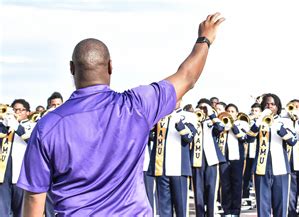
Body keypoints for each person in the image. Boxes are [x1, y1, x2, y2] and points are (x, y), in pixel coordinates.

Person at [17, 13, 225, 216]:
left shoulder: (48, 126)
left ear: (72, 69)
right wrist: (204, 39)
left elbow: (35, 197)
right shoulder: (136, 106)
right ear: (110, 66)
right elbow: (187, 76)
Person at [246, 93, 298, 216]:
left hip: (280, 168)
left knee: (281, 206)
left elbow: (293, 141)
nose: (269, 106)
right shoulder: (258, 121)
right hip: (261, 167)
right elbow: (248, 138)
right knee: (262, 206)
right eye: (267, 104)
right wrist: (259, 120)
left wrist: (279, 128)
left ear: (277, 106)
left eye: (272, 104)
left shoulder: (285, 121)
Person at [148, 102, 197, 217]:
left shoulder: (189, 115)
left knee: (181, 208)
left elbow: (188, 137)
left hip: (178, 168)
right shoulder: (160, 116)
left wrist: (178, 122)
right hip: (161, 167)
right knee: (164, 209)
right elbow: (150, 137)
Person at [192, 98, 226, 217]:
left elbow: (221, 128)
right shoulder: (193, 121)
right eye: (200, 108)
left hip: (211, 159)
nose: (202, 110)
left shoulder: (212, 121)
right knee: (198, 191)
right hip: (197, 159)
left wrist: (211, 113)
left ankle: (211, 214)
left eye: (204, 108)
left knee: (212, 189)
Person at [0, 100, 33, 217]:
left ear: (27, 112)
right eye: (14, 109)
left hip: (20, 172)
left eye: (20, 110)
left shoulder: (32, 125)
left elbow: (30, 140)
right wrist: (4, 124)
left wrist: (16, 126)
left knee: (20, 211)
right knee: (2, 211)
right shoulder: (5, 123)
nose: (16, 112)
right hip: (3, 173)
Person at [218, 103, 248, 216]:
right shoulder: (222, 123)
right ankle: (226, 210)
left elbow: (243, 137)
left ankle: (236, 210)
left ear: (236, 113)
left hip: (237, 158)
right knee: (225, 184)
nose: (230, 113)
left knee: (236, 183)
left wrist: (233, 126)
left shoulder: (242, 124)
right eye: (228, 111)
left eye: (232, 111)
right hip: (224, 158)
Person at [242, 102, 261, 203]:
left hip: (257, 152)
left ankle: (256, 197)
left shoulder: (262, 122)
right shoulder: (247, 121)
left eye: (256, 111)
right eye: (252, 110)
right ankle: (245, 196)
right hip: (248, 152)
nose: (254, 112)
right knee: (246, 175)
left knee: (255, 175)